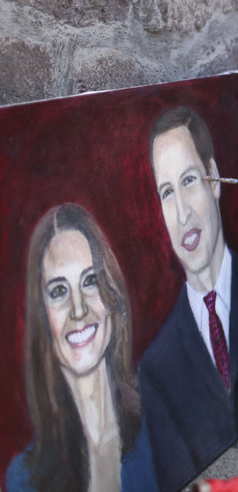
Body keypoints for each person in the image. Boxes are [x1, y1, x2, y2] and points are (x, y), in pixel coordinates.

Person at [138, 105, 238, 492]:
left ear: (214, 180)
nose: (182, 214)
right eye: (167, 192)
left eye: (188, 181)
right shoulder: (156, 366)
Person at [6, 203, 156, 492]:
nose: (78, 310)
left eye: (90, 281)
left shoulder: (161, 420)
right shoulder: (23, 479)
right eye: (59, 291)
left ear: (111, 296)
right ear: (42, 316)